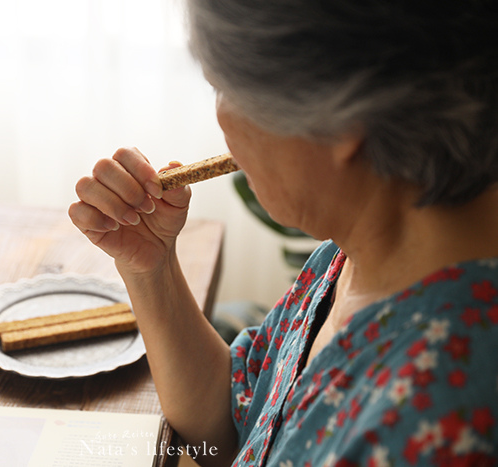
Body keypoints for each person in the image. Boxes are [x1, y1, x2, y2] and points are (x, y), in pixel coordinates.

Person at [68, 0, 498, 465]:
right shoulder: (359, 246)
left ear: (338, 116)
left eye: (229, 88)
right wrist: (152, 266)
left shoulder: (432, 422)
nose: (222, 119)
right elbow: (239, 423)